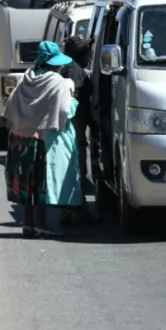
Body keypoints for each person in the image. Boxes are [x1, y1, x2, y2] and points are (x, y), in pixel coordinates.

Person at [3, 40, 84, 238]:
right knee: (41, 184)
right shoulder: (56, 82)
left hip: (20, 138)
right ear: (53, 63)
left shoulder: (25, 79)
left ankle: (28, 225)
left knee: (27, 184)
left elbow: (11, 105)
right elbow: (65, 110)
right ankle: (42, 226)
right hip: (42, 140)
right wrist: (74, 101)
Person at [60, 34, 102, 225]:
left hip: (73, 123)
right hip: (75, 123)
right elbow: (74, 99)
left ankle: (70, 209)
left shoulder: (68, 68)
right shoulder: (75, 71)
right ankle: (77, 208)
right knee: (77, 166)